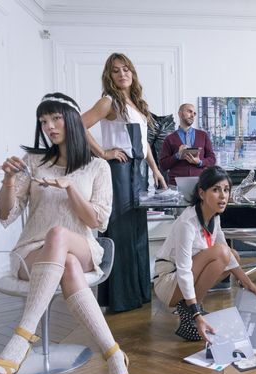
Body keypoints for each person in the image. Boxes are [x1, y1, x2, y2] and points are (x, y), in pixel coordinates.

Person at [0, 92, 133, 374]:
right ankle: (114, 357)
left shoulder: (98, 167)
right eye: (43, 121)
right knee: (66, 262)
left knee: (60, 236)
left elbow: (98, 221)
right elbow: (6, 215)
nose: (49, 126)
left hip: (82, 245)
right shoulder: (33, 163)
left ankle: (21, 339)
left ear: (73, 121)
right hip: (32, 252)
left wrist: (71, 190)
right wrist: (8, 181)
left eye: (56, 118)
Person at [82, 52, 166, 312]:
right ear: (109, 75)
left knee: (137, 231)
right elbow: (78, 124)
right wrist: (103, 153)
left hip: (138, 172)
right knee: (120, 230)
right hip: (119, 171)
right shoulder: (108, 101)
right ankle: (120, 298)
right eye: (116, 70)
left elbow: (143, 142)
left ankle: (138, 293)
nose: (122, 74)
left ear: (132, 72)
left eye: (126, 69)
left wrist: (155, 170)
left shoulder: (137, 104)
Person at [153, 166, 256, 341]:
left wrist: (248, 283)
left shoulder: (214, 217)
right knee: (222, 252)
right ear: (202, 193)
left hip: (185, 276)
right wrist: (196, 313)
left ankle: (190, 308)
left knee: (232, 255)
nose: (223, 196)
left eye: (226, 190)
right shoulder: (187, 223)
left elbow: (227, 254)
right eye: (216, 190)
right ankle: (193, 311)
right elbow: (183, 270)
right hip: (169, 280)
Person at [159, 103, 216, 186]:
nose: (192, 115)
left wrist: (200, 162)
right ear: (180, 114)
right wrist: (177, 156)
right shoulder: (169, 138)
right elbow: (163, 165)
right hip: (176, 184)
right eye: (189, 111)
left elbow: (212, 159)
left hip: (200, 183)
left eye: (194, 113)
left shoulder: (203, 135)